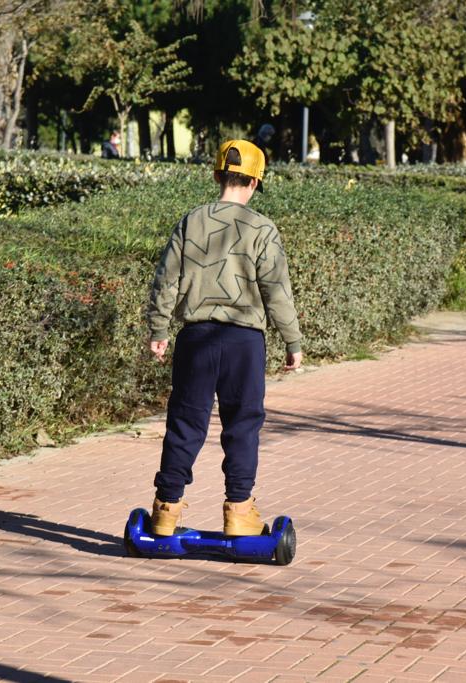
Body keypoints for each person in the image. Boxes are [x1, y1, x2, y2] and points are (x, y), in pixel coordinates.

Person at [144, 139, 303, 537]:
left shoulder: (191, 221)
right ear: (253, 182)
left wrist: (159, 329)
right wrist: (292, 341)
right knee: (242, 426)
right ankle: (239, 510)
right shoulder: (262, 228)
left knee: (185, 422)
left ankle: (165, 510)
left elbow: (167, 280)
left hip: (196, 337)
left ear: (218, 175)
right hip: (244, 343)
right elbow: (276, 290)